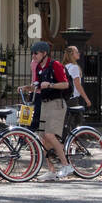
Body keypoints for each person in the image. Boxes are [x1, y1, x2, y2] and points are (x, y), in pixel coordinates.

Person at [18, 40, 74, 180]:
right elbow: (38, 86)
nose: (34, 56)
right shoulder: (38, 68)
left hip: (56, 104)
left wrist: (50, 84)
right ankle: (52, 171)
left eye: (36, 53)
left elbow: (65, 84)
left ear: (44, 53)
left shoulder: (55, 65)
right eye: (33, 53)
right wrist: (27, 88)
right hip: (44, 103)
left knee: (49, 135)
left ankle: (66, 165)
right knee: (43, 138)